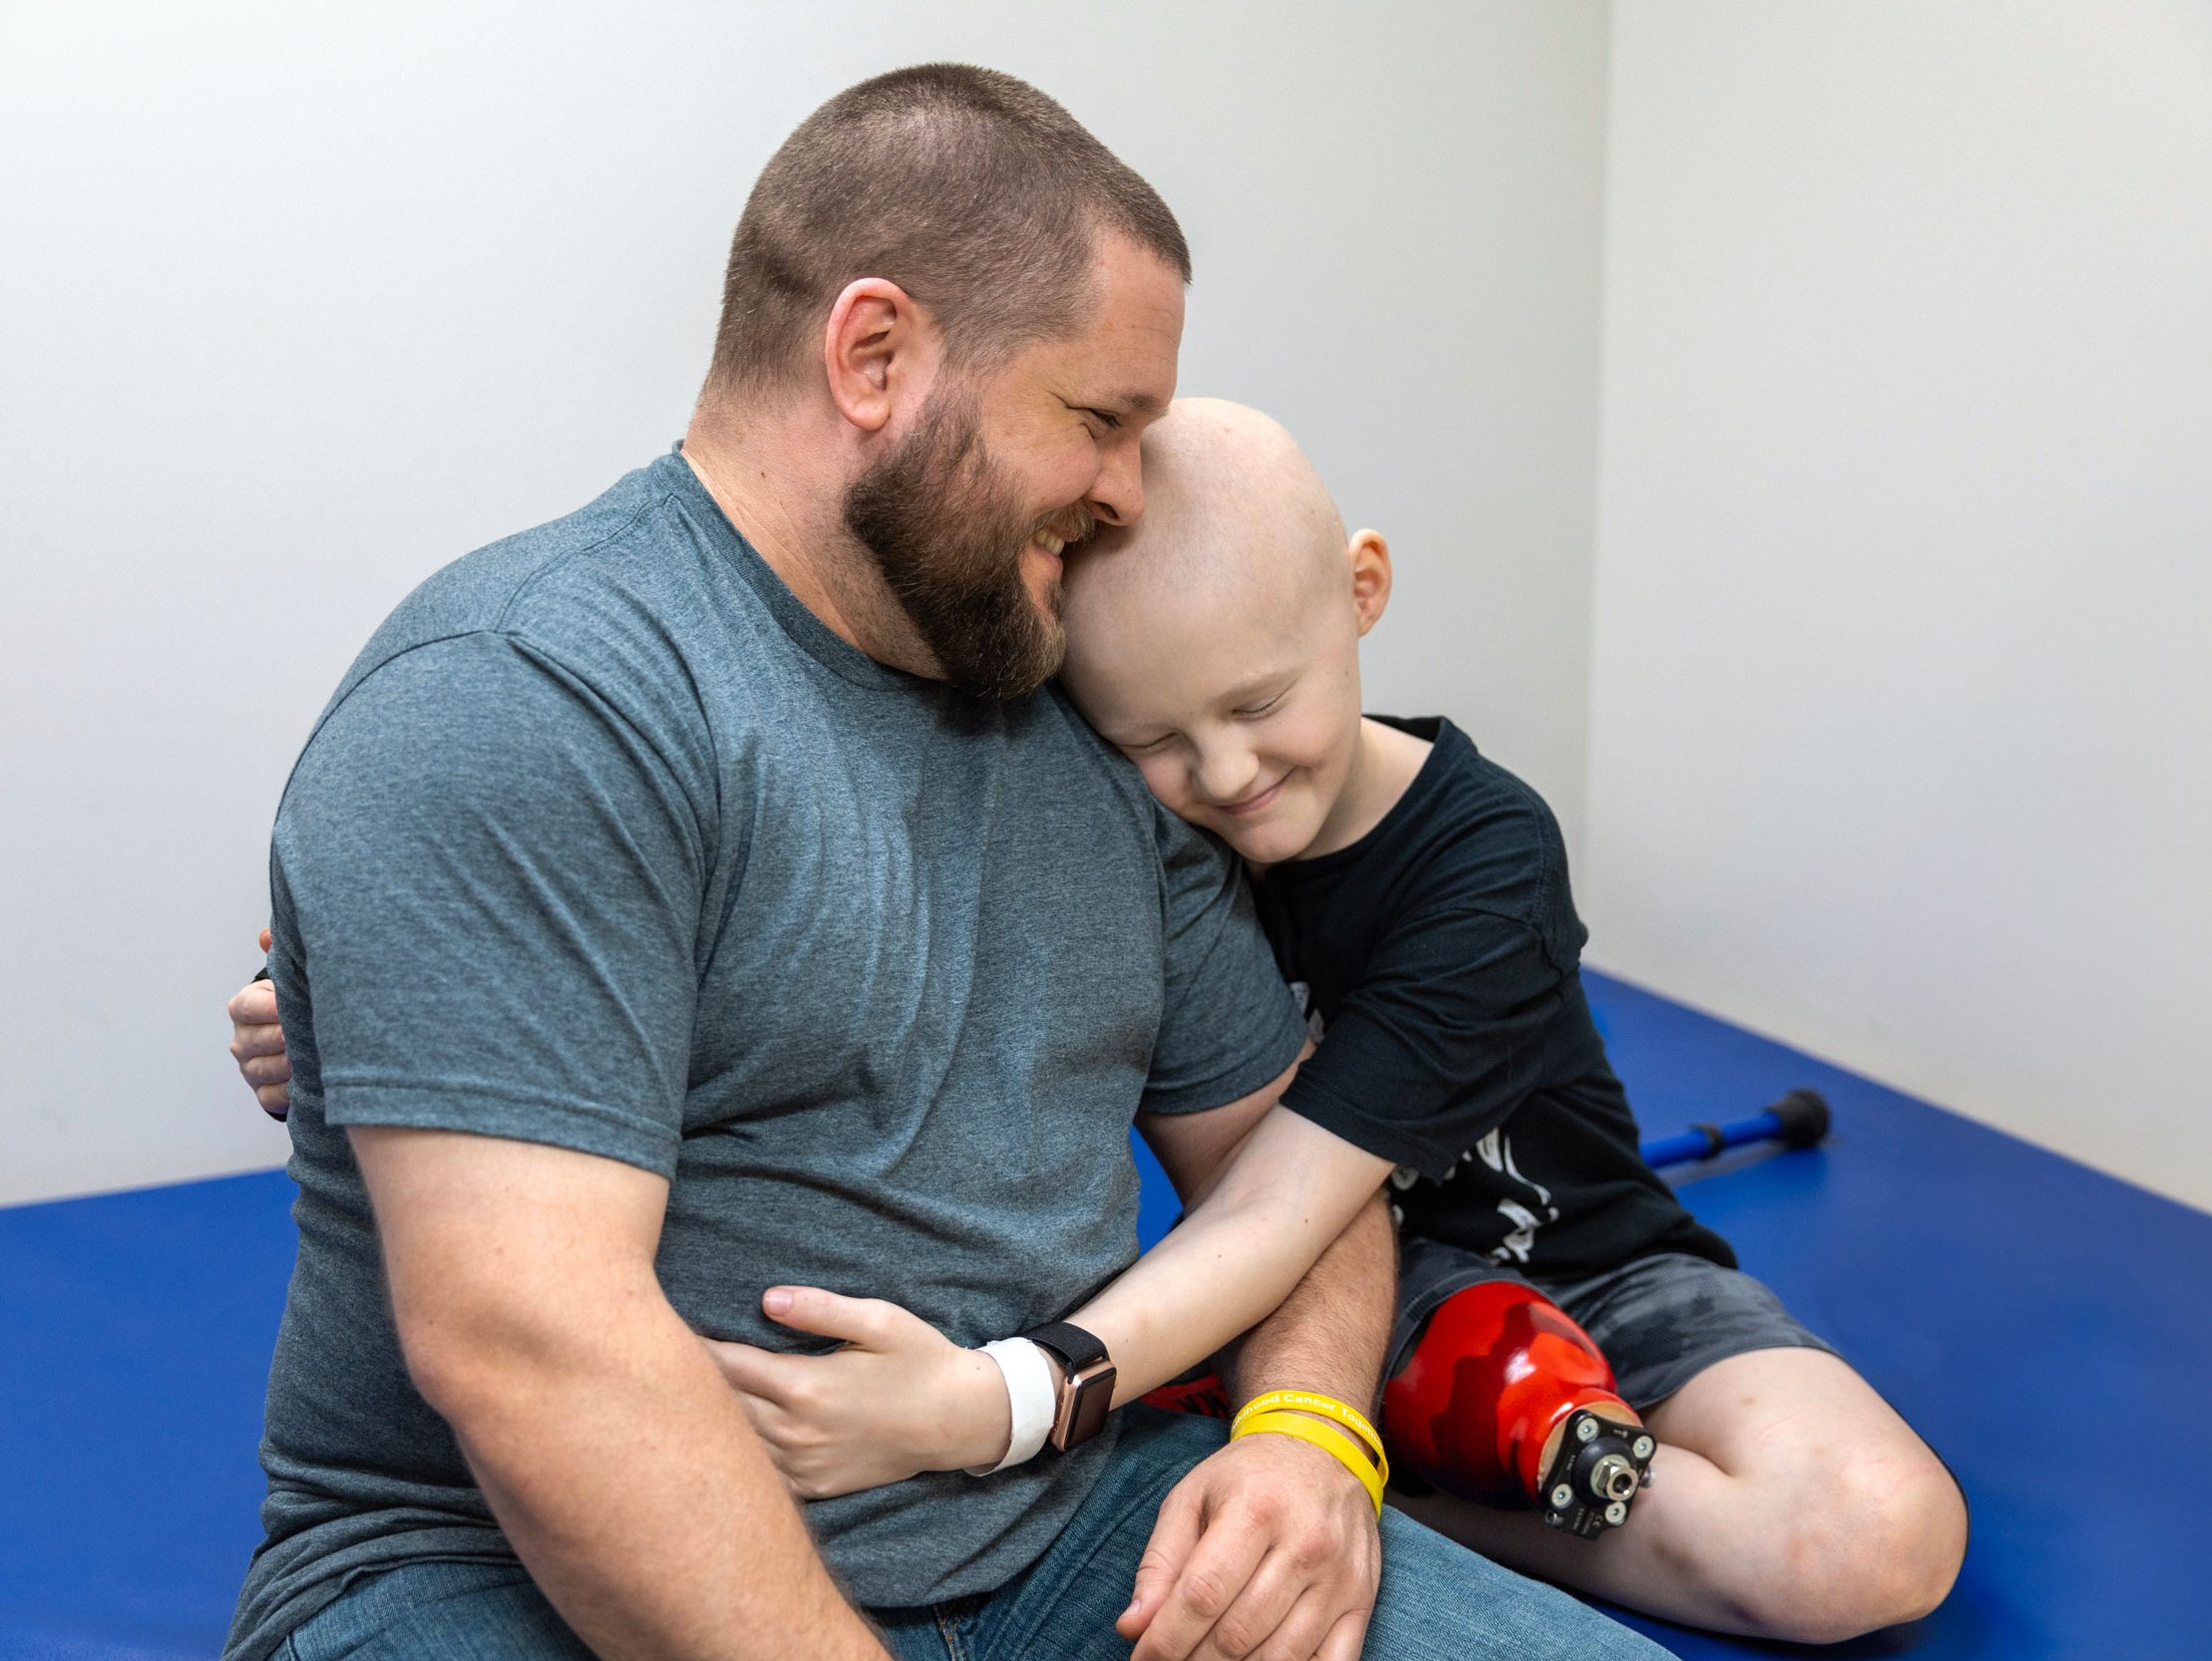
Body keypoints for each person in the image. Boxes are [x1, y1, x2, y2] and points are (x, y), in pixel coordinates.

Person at [218, 63, 1671, 1661]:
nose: (1129, 490)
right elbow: (532, 1348)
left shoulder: (1097, 722)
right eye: (1097, 420)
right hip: (506, 1578)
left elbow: (1290, 1177)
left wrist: (1305, 1438)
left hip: (1068, 1523)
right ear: (875, 355)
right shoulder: (532, 696)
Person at [656, 398, 1963, 1645]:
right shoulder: (1143, 844)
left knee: (1873, 1535)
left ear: (1361, 592)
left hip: (1595, 1267)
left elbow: (1283, 1205)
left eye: (1255, 703)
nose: (1221, 776)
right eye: (1152, 736)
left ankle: (1411, 1468)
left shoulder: (1485, 859)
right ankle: (1423, 1434)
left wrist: (996, 1399)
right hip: (1308, 1312)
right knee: (1436, 1348)